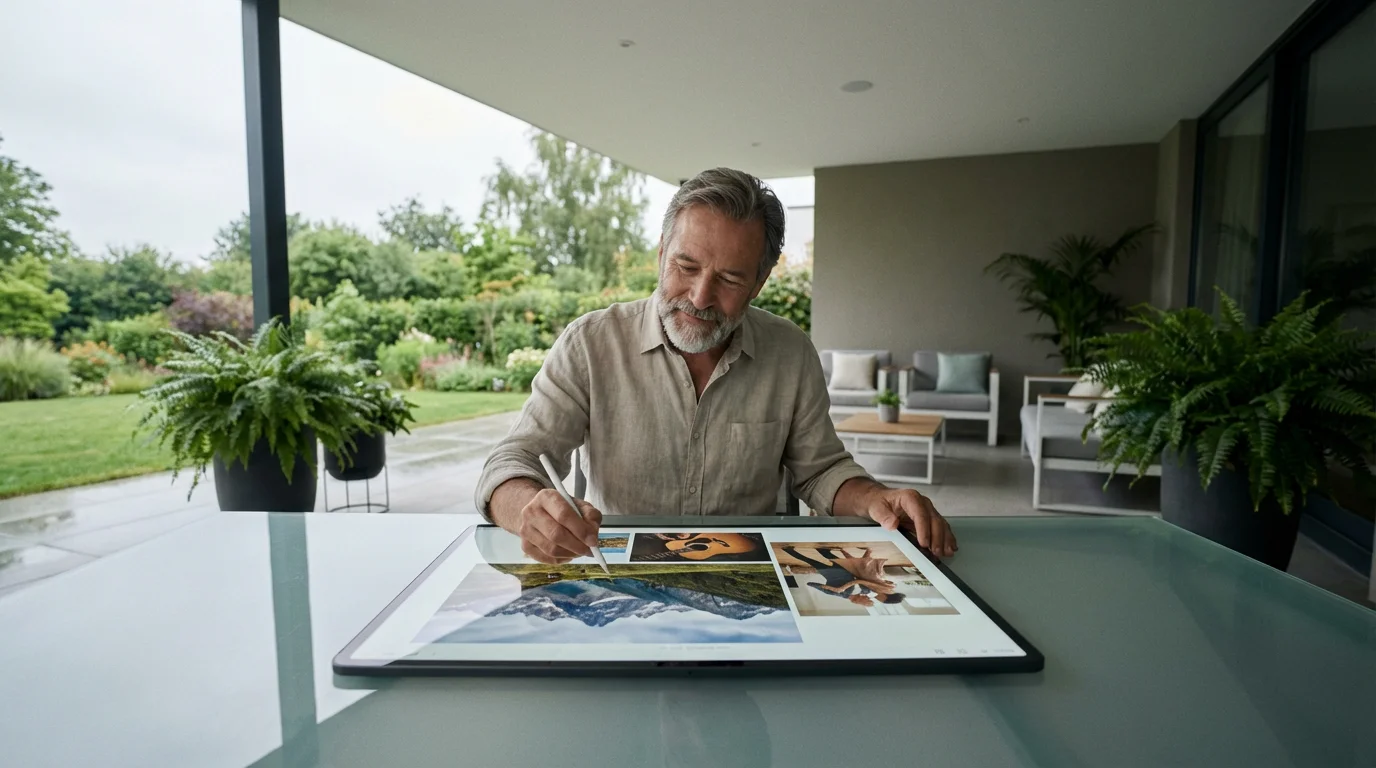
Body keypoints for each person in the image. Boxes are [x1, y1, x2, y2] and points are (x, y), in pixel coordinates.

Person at [476, 167, 957, 564]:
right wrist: (528, 510)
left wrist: (875, 499)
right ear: (661, 254)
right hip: (622, 576)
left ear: (760, 283)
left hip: (749, 580)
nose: (700, 296)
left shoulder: (791, 353)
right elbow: (513, 461)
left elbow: (820, 472)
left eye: (729, 279)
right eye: (685, 267)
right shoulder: (590, 344)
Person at [782, 546, 904, 608]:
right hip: (843, 571)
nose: (873, 599)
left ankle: (789, 550)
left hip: (834, 573)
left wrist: (826, 587)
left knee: (812, 561)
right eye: (879, 600)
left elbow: (816, 586)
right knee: (826, 557)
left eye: (867, 601)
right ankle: (821, 550)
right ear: (885, 597)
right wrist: (843, 587)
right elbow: (861, 579)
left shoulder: (863, 592)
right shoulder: (874, 590)